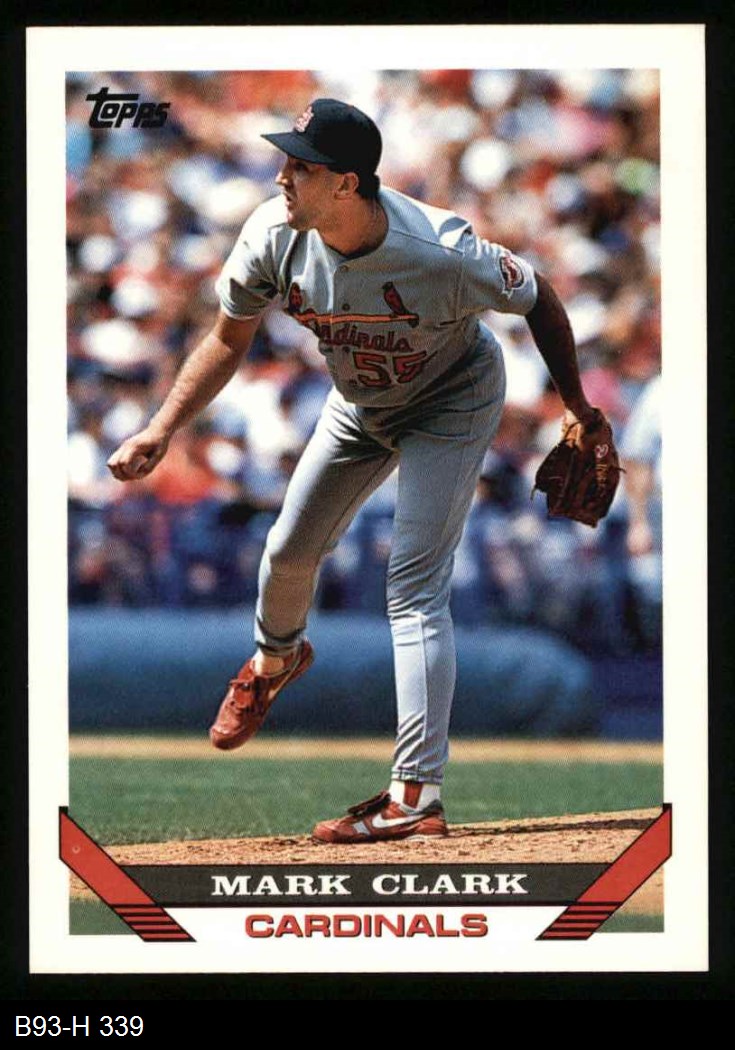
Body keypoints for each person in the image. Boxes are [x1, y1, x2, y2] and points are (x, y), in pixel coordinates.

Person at [108, 98, 602, 843]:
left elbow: (538, 296)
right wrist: (162, 426)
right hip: (359, 403)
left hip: (452, 397)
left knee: (413, 588)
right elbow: (227, 340)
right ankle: (274, 662)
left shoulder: (440, 248)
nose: (282, 177)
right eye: (285, 162)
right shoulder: (272, 235)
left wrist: (578, 406)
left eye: (300, 167)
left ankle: (416, 796)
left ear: (345, 183)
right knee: (287, 551)